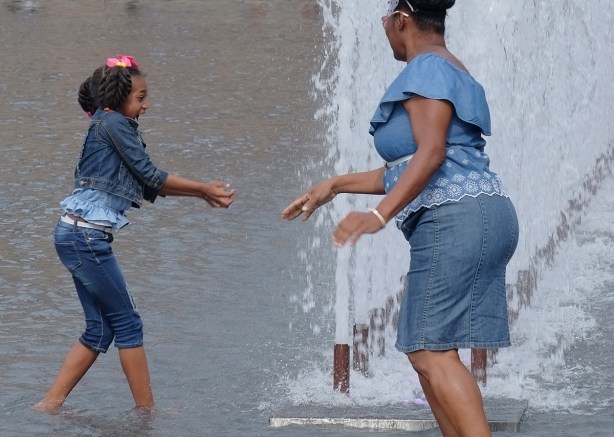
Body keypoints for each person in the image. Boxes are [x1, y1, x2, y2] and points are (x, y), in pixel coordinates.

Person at [282, 1, 518, 436]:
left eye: (385, 19)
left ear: (402, 20)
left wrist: (378, 215)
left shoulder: (426, 68)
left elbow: (429, 156)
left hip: (455, 217)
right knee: (428, 351)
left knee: (430, 351)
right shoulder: (446, 67)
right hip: (476, 212)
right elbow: (415, 163)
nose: (384, 28)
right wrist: (334, 185)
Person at [34, 55, 234, 411]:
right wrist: (203, 188)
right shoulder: (114, 123)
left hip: (75, 234)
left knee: (100, 330)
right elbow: (152, 175)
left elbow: (149, 186)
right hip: (86, 238)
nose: (146, 105)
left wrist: (202, 194)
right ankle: (147, 413)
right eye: (141, 97)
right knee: (128, 324)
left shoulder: (107, 125)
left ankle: (50, 405)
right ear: (119, 97)